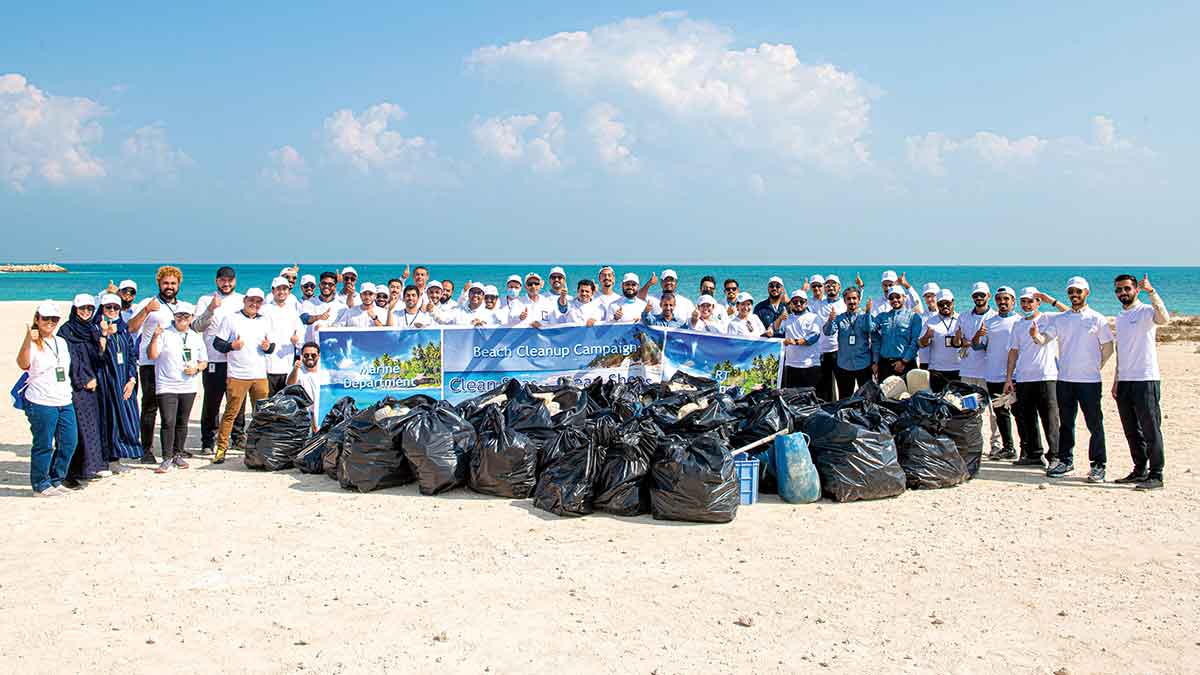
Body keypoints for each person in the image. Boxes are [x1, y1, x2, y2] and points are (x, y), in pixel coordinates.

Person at [1034, 276, 1114, 480]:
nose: (1074, 295)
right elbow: (1045, 339)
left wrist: (1097, 365)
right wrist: (1036, 336)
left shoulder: (1097, 318)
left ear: (1086, 292)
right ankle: (1065, 461)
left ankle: (1098, 465)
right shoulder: (1062, 319)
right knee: (1066, 423)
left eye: (1078, 291)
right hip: (1065, 380)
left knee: (1094, 424)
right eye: (1071, 292)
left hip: (1090, 382)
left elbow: (1108, 347)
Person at [1111, 274, 1170, 490]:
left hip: (1146, 379)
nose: (1122, 293)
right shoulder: (1120, 316)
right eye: (1118, 290)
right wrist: (1116, 379)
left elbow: (1164, 318)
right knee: (1131, 429)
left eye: (1126, 288)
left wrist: (1152, 292)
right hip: (1125, 380)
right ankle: (1139, 469)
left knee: (1151, 428)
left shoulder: (1145, 311)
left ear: (1135, 289)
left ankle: (1156, 474)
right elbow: (1121, 351)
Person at [17, 301, 78, 497]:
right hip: (41, 401)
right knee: (43, 444)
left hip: (64, 400)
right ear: (37, 319)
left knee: (69, 441)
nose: (50, 322)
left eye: (54, 319)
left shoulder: (60, 342)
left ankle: (56, 478)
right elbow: (23, 364)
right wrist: (28, 338)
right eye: (46, 318)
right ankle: (40, 484)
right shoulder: (33, 342)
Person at [126, 265, 184, 464]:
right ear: (159, 283)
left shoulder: (181, 306)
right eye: (166, 283)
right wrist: (146, 310)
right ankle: (147, 450)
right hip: (149, 362)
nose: (169, 286)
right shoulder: (148, 302)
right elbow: (131, 328)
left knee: (174, 408)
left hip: (173, 365)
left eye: (173, 283)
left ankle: (176, 450)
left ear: (178, 285)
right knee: (150, 407)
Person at [211, 288, 273, 464]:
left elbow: (272, 346)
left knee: (261, 414)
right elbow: (217, 343)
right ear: (244, 300)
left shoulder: (265, 321)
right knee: (231, 413)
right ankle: (221, 449)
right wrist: (232, 345)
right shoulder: (231, 318)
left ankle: (260, 448)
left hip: (260, 375)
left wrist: (268, 347)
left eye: (258, 301)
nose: (254, 304)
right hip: (237, 374)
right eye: (251, 300)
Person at [146, 301, 206, 473]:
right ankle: (166, 458)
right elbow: (152, 355)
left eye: (186, 316)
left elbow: (204, 361)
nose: (183, 318)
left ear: (192, 317)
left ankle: (177, 454)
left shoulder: (195, 337)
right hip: (166, 385)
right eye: (179, 315)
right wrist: (155, 337)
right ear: (174, 317)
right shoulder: (165, 333)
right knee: (168, 421)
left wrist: (196, 368)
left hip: (188, 386)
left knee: (182, 422)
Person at [1004, 287, 1060, 468]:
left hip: (1046, 377)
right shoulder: (1018, 324)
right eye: (1024, 302)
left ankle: (1055, 456)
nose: (1027, 305)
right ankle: (1034, 454)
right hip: (1023, 378)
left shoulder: (1049, 318)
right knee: (1027, 418)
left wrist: (1049, 299)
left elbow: (1071, 313)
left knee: (1049, 419)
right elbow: (1013, 351)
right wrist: (1008, 378)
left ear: (1038, 303)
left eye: (1031, 301)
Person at [193, 266, 245, 455]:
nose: (226, 283)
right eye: (223, 280)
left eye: (230, 280)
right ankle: (208, 441)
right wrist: (210, 309)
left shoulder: (241, 300)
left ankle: (238, 437)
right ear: (217, 281)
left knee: (237, 401)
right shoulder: (206, 300)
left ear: (235, 281)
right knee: (212, 403)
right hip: (213, 360)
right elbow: (196, 327)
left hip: (237, 360)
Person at [59, 294, 106, 488]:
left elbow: (97, 360)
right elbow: (67, 360)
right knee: (75, 431)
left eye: (89, 309)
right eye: (82, 309)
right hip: (76, 387)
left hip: (92, 387)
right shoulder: (66, 331)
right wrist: (83, 380)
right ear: (74, 310)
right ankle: (68, 473)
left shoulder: (92, 330)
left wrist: (103, 341)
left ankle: (86, 468)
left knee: (91, 429)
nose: (86, 312)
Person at [95, 294, 143, 470]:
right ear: (102, 309)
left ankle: (117, 459)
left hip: (124, 381)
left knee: (127, 419)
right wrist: (104, 335)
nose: (113, 311)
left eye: (116, 308)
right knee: (110, 419)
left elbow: (131, 355)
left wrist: (132, 379)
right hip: (107, 382)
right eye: (109, 308)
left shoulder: (123, 329)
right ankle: (107, 460)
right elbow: (97, 355)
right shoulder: (96, 328)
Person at [957, 282, 999, 451]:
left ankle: (996, 445)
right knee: (969, 409)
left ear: (989, 296)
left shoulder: (995, 317)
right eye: (976, 295)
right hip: (968, 370)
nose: (979, 298)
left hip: (990, 371)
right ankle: (972, 444)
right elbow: (957, 341)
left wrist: (972, 341)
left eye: (982, 295)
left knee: (994, 412)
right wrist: (963, 342)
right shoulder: (964, 316)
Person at [980, 287, 1021, 460]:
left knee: (1019, 413)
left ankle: (1027, 448)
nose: (1002, 303)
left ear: (1013, 301)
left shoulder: (1020, 321)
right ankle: (1008, 447)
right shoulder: (989, 322)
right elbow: (980, 346)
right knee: (1000, 414)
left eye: (1006, 299)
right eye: (999, 300)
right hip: (993, 374)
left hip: (1017, 376)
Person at [824, 287, 874, 398]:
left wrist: (868, 312)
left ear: (859, 300)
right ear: (844, 301)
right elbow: (828, 332)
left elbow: (870, 328)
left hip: (863, 364)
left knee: (866, 398)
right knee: (845, 398)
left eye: (854, 298)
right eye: (849, 299)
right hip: (844, 365)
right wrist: (830, 320)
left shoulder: (865, 316)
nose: (852, 301)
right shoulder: (839, 318)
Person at [263, 276, 304, 394]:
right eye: (278, 289)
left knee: (284, 402)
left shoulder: (292, 311)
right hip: (268, 364)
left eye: (284, 289)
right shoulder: (265, 310)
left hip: (287, 363)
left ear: (289, 291)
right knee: (268, 400)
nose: (282, 292)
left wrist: (297, 339)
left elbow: (301, 334)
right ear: (273, 291)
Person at [871, 286, 922, 378]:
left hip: (906, 364)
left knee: (908, 392)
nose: (895, 300)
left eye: (898, 297)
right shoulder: (882, 316)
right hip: (885, 365)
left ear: (904, 298)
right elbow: (870, 330)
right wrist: (875, 362)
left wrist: (903, 362)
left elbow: (915, 342)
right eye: (891, 298)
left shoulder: (914, 317)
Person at [918, 289, 962, 392]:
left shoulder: (961, 319)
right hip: (937, 370)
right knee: (938, 402)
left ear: (953, 302)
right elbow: (921, 344)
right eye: (941, 304)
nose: (945, 306)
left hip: (959, 369)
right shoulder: (930, 322)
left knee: (958, 402)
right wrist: (927, 336)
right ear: (937, 305)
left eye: (947, 303)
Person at [781, 290, 823, 388]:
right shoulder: (787, 318)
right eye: (795, 302)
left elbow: (814, 337)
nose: (798, 304)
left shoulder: (814, 317)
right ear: (790, 304)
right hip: (791, 365)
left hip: (811, 365)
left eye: (801, 301)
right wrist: (777, 321)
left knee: (811, 398)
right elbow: (776, 330)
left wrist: (795, 341)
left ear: (806, 303)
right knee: (793, 399)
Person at [813, 275, 846, 401]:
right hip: (822, 351)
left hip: (839, 350)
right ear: (824, 288)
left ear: (839, 287)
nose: (831, 287)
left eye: (834, 284)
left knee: (842, 384)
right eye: (827, 285)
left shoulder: (844, 304)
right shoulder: (817, 305)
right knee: (824, 386)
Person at [288, 342, 328, 434]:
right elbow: (290, 384)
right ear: (302, 356)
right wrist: (295, 369)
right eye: (306, 355)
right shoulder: (298, 370)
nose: (310, 357)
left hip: (321, 412)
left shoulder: (325, 372)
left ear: (318, 356)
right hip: (304, 414)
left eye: (313, 355)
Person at [300, 271, 346, 343]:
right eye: (324, 283)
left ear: (334, 287)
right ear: (319, 285)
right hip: (312, 350)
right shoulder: (308, 303)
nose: (326, 286)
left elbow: (344, 328)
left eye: (330, 284)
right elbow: (304, 319)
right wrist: (319, 317)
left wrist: (327, 329)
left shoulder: (342, 306)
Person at [916, 282, 940, 368]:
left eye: (932, 295)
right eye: (927, 296)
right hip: (924, 361)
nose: (929, 299)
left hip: (942, 363)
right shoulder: (920, 317)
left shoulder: (947, 315)